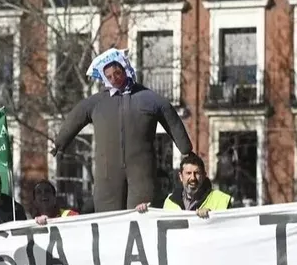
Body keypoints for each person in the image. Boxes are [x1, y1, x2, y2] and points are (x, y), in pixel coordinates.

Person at [52, 48, 193, 213]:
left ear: (125, 70)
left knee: (142, 214)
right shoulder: (96, 102)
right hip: (107, 174)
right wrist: (60, 143)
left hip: (142, 171)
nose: (114, 79)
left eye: (117, 73)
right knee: (108, 216)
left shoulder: (149, 98)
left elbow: (171, 118)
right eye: (109, 76)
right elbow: (75, 118)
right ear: (104, 77)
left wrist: (186, 148)